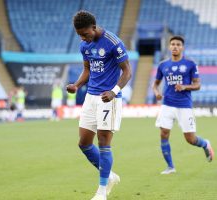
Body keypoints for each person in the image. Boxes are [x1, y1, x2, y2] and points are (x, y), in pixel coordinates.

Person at [66, 10, 131, 200]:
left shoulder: (113, 42)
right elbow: (87, 69)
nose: (83, 38)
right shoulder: (84, 45)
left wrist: (114, 92)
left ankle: (102, 191)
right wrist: (77, 85)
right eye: (80, 35)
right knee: (84, 143)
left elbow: (127, 72)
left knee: (103, 142)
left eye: (85, 34)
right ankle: (109, 175)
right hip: (90, 98)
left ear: (94, 28)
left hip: (108, 98)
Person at [152, 35, 214, 175]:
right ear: (169, 46)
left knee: (190, 139)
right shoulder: (163, 65)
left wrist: (185, 87)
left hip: (184, 106)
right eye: (173, 44)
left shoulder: (190, 64)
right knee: (163, 133)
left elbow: (198, 84)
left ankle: (205, 144)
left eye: (178, 44)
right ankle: (170, 167)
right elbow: (155, 84)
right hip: (167, 105)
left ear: (182, 47)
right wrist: (156, 92)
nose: (175, 46)